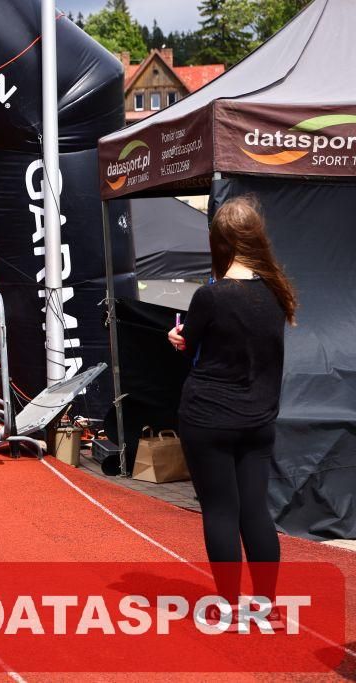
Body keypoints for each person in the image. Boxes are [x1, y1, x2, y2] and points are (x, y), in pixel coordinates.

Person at [168, 197, 297, 624]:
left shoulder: (210, 295)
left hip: (208, 416)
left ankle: (227, 605)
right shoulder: (276, 292)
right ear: (256, 236)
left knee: (221, 510)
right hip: (258, 418)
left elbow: (190, 344)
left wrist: (176, 338)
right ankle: (266, 605)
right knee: (255, 510)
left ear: (219, 242)